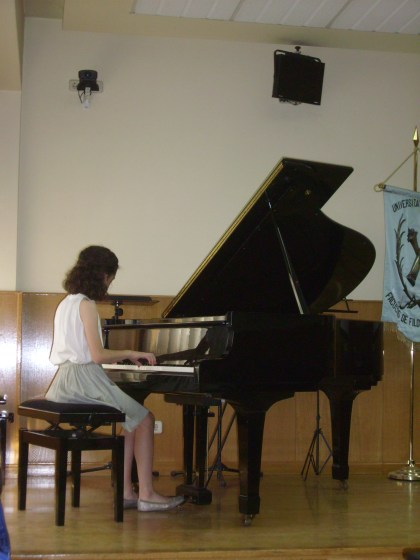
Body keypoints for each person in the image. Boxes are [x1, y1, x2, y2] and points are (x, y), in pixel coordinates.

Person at [45, 245, 184, 512]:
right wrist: (131, 353)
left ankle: (126, 493)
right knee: (146, 419)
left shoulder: (67, 302)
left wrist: (116, 359)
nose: (109, 284)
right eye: (111, 278)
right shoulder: (86, 304)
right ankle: (147, 494)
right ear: (103, 275)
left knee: (131, 420)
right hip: (82, 380)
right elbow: (97, 355)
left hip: (66, 379)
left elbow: (85, 354)